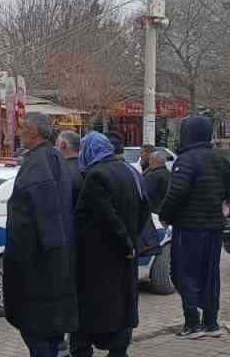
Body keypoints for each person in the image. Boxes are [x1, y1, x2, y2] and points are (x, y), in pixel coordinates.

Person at [5, 114, 79, 357]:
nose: (18, 132)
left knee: (37, 332)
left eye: (23, 128)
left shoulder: (39, 164)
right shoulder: (53, 157)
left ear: (34, 133)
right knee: (48, 332)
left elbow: (43, 216)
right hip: (53, 266)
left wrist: (26, 257)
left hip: (38, 267)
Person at [159, 116, 230, 339]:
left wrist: (165, 216)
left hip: (189, 228)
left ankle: (192, 324)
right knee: (209, 274)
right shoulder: (219, 159)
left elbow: (176, 192)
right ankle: (211, 323)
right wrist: (223, 209)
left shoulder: (186, 160)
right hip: (213, 228)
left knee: (184, 273)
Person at [71, 132, 148, 357]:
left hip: (100, 257)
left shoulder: (95, 175)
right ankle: (119, 349)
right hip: (126, 254)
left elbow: (105, 215)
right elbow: (145, 207)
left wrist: (123, 241)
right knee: (123, 304)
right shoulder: (130, 171)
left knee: (93, 310)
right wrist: (131, 239)